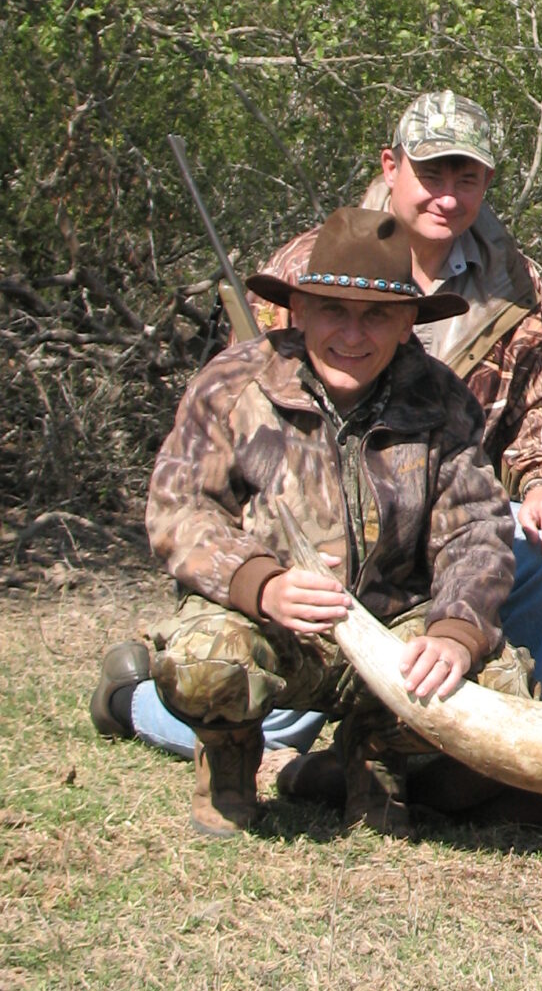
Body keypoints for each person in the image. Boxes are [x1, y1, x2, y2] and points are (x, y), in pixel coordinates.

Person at [93, 90, 542, 771]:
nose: (448, 196)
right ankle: (136, 698)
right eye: (431, 174)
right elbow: (218, 467)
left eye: (466, 177)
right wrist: (260, 573)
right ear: (392, 167)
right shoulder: (308, 261)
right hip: (308, 548)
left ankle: (495, 724)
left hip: (433, 530)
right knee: (260, 714)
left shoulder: (512, 280)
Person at [143, 206, 522, 839]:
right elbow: (178, 508)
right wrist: (260, 584)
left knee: (501, 684)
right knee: (205, 659)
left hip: (391, 635)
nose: (353, 334)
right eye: (333, 311)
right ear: (298, 312)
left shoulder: (442, 400)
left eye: (376, 315)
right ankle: (231, 755)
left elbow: (477, 530)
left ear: (407, 324)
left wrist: (455, 632)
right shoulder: (234, 382)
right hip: (268, 627)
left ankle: (374, 756)